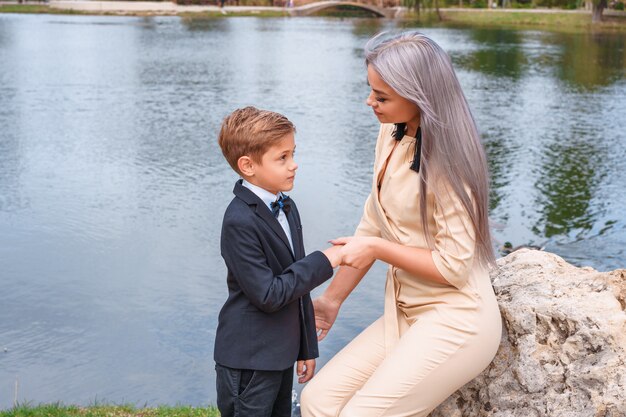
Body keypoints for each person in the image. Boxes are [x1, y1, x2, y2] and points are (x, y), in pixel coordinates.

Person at [300, 31, 502, 417]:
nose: (369, 102)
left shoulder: (450, 164)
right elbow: (372, 225)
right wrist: (331, 300)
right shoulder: (390, 135)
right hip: (406, 311)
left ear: (419, 95)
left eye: (381, 97)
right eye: (371, 90)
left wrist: (378, 250)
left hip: (457, 320)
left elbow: (454, 267)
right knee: (317, 402)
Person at [214, 106, 343, 417]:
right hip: (248, 360)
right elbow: (269, 294)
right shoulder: (239, 221)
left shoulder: (287, 206)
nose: (294, 165)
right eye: (282, 158)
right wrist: (325, 260)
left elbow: (296, 288)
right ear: (248, 165)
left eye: (292, 154)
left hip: (281, 356)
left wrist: (306, 348)